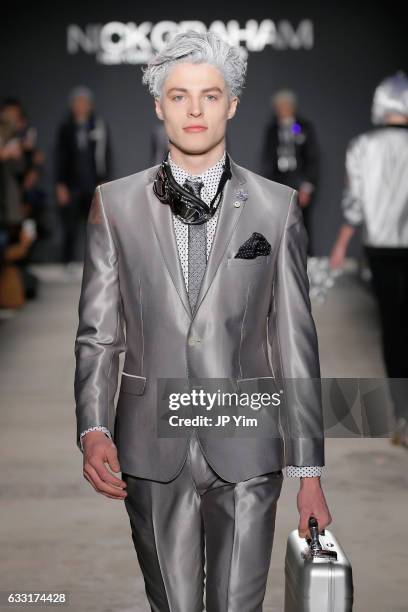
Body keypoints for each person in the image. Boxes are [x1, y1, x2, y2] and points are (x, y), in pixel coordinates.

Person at [75, 31, 331, 611]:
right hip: (149, 447)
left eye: (210, 96)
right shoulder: (113, 205)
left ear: (232, 105)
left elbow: (295, 342)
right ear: (158, 105)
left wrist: (309, 468)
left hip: (249, 445)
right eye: (180, 96)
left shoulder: (276, 207)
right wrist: (93, 427)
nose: (195, 110)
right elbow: (98, 334)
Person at [330, 71, 408, 448]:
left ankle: (403, 415)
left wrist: (342, 244)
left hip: (380, 249)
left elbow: (354, 204)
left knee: (393, 330)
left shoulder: (363, 146)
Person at [55, 86, 111, 269]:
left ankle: (97, 262)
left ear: (90, 105)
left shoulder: (99, 125)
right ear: (72, 106)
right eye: (77, 102)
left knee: (96, 224)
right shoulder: (65, 128)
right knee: (69, 224)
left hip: (93, 182)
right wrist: (60, 184)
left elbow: (105, 155)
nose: (81, 106)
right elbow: (59, 157)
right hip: (72, 184)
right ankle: (68, 262)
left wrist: (103, 180)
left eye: (84, 103)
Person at [261, 89, 319, 253]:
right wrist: (269, 187)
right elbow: (267, 160)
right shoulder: (272, 131)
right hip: (280, 181)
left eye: (286, 106)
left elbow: (312, 158)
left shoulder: (301, 128)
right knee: (278, 224)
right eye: (279, 107)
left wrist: (307, 186)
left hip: (299, 181)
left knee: (301, 224)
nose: (283, 110)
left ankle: (305, 263)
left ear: (293, 107)